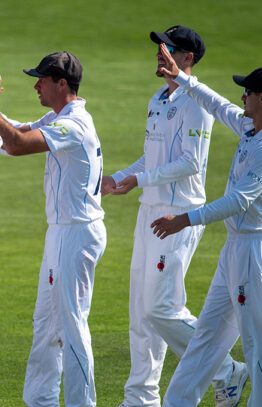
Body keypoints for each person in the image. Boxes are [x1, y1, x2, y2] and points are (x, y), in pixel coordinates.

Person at [101, 25, 247, 407]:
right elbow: (152, 156)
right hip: (148, 211)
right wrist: (121, 177)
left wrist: (139, 179)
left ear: (187, 58)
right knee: (140, 312)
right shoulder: (157, 98)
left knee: (161, 309)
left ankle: (225, 370)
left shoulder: (195, 103)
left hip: (179, 215)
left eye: (168, 48)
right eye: (160, 47)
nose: (160, 53)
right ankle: (140, 398)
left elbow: (190, 163)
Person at [151, 45, 262, 407]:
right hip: (235, 249)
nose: (242, 96)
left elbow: (239, 201)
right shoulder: (250, 126)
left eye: (247, 91)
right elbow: (215, 103)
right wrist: (181, 78)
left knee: (258, 341)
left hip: (256, 251)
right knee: (207, 337)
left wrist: (184, 220)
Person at [0, 52, 106, 407]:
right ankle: (41, 401)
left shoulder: (74, 124)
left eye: (42, 79)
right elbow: (16, 133)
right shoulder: (59, 117)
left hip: (76, 233)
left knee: (71, 327)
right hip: (62, 232)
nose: (36, 85)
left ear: (62, 84)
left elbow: (17, 145)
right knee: (47, 323)